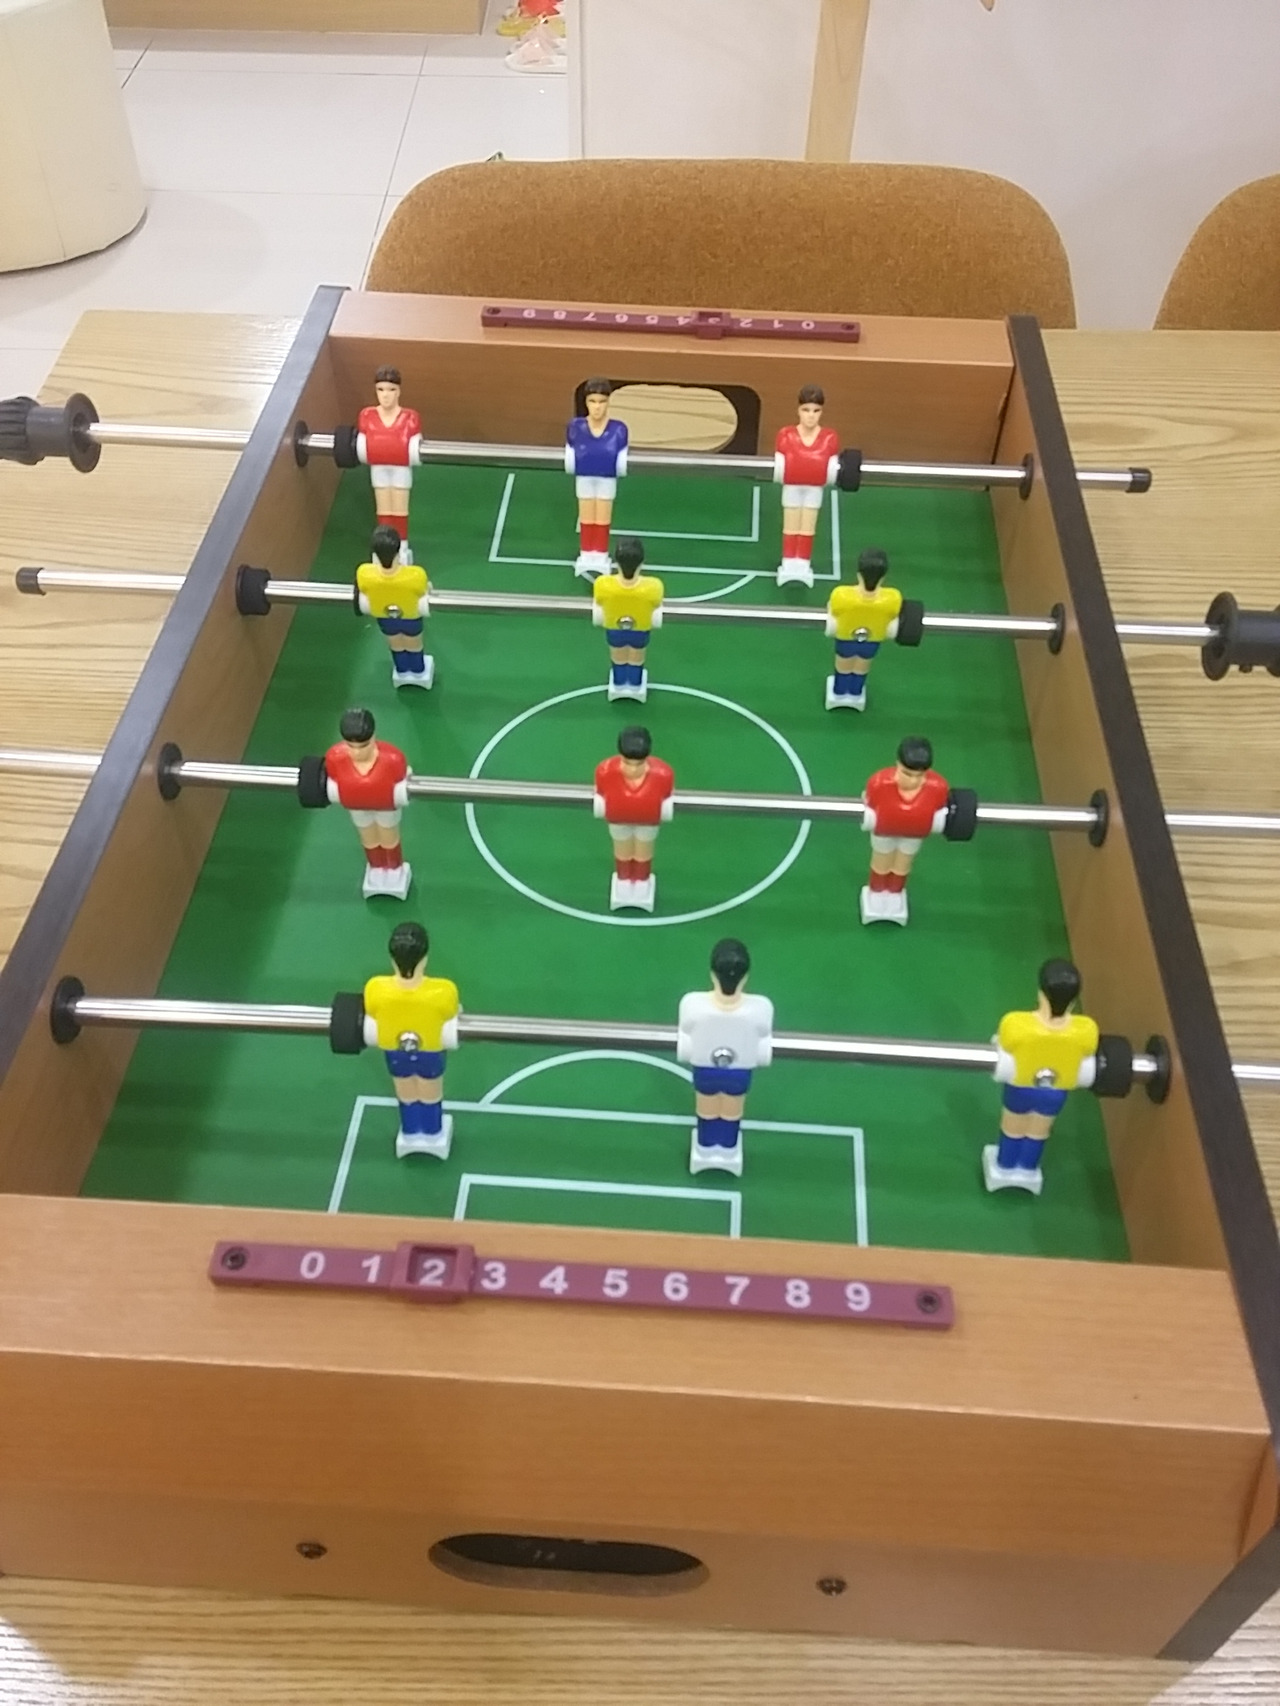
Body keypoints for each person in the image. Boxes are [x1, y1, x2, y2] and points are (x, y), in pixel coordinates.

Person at [985, 959, 1099, 1195]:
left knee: (1013, 1128)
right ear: (1073, 1000)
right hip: (1055, 1093)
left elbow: (1005, 1043)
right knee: (1038, 1131)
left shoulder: (1016, 1024)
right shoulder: (1086, 1030)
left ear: (1041, 994)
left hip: (1021, 1088)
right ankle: (1027, 1168)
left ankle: (1005, 1165)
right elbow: (1089, 1050)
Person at [363, 921, 461, 1160]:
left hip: (395, 1052)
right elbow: (452, 1011)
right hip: (430, 1052)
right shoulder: (443, 991)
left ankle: (411, 1131)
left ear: (392, 959)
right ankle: (432, 1132)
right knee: (430, 1093)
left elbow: (372, 1011)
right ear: (424, 958)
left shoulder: (375, 988)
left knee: (405, 1091)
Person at [677, 938, 774, 1177]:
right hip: (739, 1075)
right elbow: (764, 1053)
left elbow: (684, 1048)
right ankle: (728, 1149)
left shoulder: (692, 1004)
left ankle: (706, 1146)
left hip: (705, 1072)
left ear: (712, 974)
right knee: (731, 1112)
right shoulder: (761, 1008)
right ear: (745, 977)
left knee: (707, 1110)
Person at [860, 736, 950, 925]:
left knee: (903, 863)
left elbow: (940, 812)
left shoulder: (939, 788)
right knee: (882, 860)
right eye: (907, 774)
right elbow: (868, 804)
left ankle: (895, 892)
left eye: (920, 776)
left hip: (913, 835)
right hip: (884, 832)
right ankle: (877, 891)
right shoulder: (878, 783)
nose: (914, 780)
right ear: (898, 765)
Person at [324, 706, 412, 899]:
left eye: (363, 746)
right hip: (357, 807)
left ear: (373, 738)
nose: (357, 752)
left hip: (386, 807)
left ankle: (394, 868)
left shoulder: (394, 759)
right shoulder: (334, 758)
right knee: (368, 836)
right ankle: (376, 866)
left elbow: (403, 779)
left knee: (388, 835)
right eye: (351, 746)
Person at [593, 724, 674, 912]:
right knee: (622, 850)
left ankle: (641, 880)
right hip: (618, 820)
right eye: (628, 763)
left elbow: (668, 797)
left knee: (643, 851)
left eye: (638, 764)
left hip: (648, 822)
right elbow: (599, 794)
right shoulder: (604, 772)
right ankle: (623, 878)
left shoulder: (664, 775)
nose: (632, 769)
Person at [773, 383, 840, 587]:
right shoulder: (785, 435)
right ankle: (788, 561)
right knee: (791, 524)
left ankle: (803, 562)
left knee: (808, 526)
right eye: (806, 410)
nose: (811, 416)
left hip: (814, 488)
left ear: (822, 412)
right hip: (792, 486)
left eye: (816, 411)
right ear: (798, 410)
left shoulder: (830, 437)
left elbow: (829, 466)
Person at [356, 366, 422, 564]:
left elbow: (414, 445)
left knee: (400, 509)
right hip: (378, 467)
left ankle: (401, 546)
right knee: (383, 509)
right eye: (381, 390)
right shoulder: (367, 416)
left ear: (398, 391)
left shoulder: (410, 418)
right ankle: (382, 546)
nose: (385, 395)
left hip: (400, 468)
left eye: (391, 390)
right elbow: (363, 443)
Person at [355, 524, 433, 689]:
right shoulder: (415, 574)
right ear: (398, 552)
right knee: (414, 644)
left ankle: (402, 670)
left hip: (384, 618)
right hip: (410, 617)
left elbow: (363, 589)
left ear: (375, 555)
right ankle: (418, 671)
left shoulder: (364, 573)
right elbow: (423, 590)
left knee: (395, 643)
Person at [824, 547, 902, 711]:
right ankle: (855, 692)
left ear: (859, 574)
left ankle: (839, 692)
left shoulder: (841, 594)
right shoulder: (893, 597)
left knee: (843, 666)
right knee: (861, 666)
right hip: (873, 640)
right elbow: (894, 614)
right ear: (883, 577)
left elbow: (834, 610)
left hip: (845, 638)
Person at [566, 378, 629, 578]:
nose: (597, 407)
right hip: (584, 476)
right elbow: (570, 452)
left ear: (608, 402)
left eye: (602, 401)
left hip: (607, 477)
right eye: (592, 401)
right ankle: (586, 552)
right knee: (586, 515)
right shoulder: (575, 427)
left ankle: (600, 553)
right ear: (586, 402)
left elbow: (622, 456)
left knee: (602, 516)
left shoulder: (619, 430)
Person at [591, 536, 663, 701]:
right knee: (637, 657)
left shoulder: (603, 584)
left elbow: (599, 601)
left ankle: (619, 683)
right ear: (642, 562)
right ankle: (635, 684)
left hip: (614, 629)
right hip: (640, 629)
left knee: (618, 656)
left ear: (617, 562)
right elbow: (656, 603)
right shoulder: (653, 586)